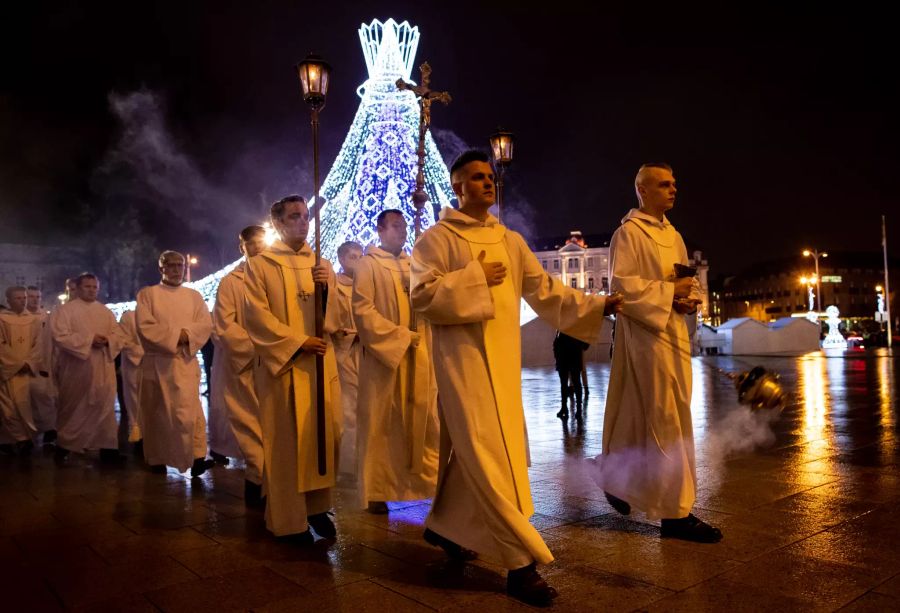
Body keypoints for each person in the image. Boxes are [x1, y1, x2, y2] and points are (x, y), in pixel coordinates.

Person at [410, 150, 622, 606]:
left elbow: (544, 291)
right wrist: (473, 277)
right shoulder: (435, 240)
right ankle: (520, 565)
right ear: (457, 186)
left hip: (502, 369)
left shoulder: (509, 240)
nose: (488, 183)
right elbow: (422, 297)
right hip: (462, 365)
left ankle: (446, 525)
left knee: (489, 454)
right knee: (488, 457)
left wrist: (596, 305)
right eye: (476, 178)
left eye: (491, 177)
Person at [592, 163, 721, 543]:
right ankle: (675, 514)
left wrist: (690, 300)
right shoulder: (627, 234)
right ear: (642, 191)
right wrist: (670, 295)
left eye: (674, 184)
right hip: (647, 338)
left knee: (665, 412)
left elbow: (686, 280)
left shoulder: (675, 236)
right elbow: (623, 288)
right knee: (663, 418)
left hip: (675, 335)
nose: (673, 189)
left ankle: (615, 474)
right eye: (664, 184)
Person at [243, 195, 341, 542]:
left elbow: (340, 315)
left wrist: (327, 288)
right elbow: (255, 316)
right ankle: (288, 521)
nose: (303, 222)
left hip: (318, 366)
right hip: (285, 367)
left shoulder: (321, 262)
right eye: (295, 216)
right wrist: (297, 343)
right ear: (279, 224)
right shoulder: (260, 265)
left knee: (320, 441)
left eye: (306, 216)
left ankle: (316, 509)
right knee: (287, 446)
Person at [353, 210, 439, 513]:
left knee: (424, 423)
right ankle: (378, 490)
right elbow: (363, 311)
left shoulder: (413, 264)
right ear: (380, 229)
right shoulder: (367, 265)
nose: (402, 231)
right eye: (396, 226)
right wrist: (400, 337)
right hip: (385, 362)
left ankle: (425, 484)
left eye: (404, 225)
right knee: (382, 424)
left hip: (420, 357)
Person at [136, 250, 214, 477]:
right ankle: (157, 458)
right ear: (161, 268)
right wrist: (174, 338)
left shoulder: (194, 296)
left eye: (180, 265)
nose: (176, 270)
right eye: (171, 265)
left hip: (185, 363)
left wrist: (187, 336)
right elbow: (145, 326)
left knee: (190, 414)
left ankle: (197, 457)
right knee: (158, 414)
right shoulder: (148, 295)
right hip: (159, 365)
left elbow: (205, 324)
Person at [211, 225, 267, 507]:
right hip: (245, 364)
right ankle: (256, 483)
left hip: (276, 363)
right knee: (252, 425)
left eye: (262, 242)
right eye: (252, 244)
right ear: (242, 247)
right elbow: (223, 325)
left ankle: (275, 487)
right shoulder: (231, 282)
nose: (258, 248)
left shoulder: (277, 276)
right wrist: (256, 347)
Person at [50, 273, 124, 465]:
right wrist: (89, 340)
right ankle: (66, 446)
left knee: (105, 407)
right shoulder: (65, 311)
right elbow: (60, 336)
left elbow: (118, 334)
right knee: (75, 407)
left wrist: (108, 340)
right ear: (78, 287)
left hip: (102, 367)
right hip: (77, 368)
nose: (91, 290)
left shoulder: (105, 312)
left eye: (94, 287)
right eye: (87, 287)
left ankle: (108, 449)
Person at [331, 240, 362, 478]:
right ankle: (349, 466)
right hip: (347, 351)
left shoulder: (367, 284)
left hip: (368, 351)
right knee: (349, 409)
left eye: (360, 255)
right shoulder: (334, 286)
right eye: (352, 256)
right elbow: (332, 320)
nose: (357, 260)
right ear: (341, 259)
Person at [0, 286, 41, 454]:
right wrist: (15, 364)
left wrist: (30, 362)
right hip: (8, 372)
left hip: (26, 372)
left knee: (26, 405)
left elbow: (39, 345)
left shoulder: (33, 320)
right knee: (8, 409)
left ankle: (25, 439)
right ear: (8, 300)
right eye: (18, 298)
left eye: (24, 297)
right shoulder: (2, 319)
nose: (22, 301)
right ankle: (15, 440)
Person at [26, 285, 57, 443]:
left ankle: (50, 430)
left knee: (45, 398)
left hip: (43, 364)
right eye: (31, 296)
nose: (35, 300)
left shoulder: (46, 317)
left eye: (37, 297)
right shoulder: (18, 318)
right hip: (23, 366)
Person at [118, 309, 144, 449]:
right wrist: (144, 352)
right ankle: (138, 434)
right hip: (135, 367)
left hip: (155, 366)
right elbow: (124, 341)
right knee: (135, 401)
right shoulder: (129, 317)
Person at [552, 331, 589, 420]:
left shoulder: (564, 325)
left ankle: (567, 408)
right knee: (574, 382)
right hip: (571, 354)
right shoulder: (574, 326)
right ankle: (575, 409)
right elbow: (585, 345)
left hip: (566, 354)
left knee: (567, 383)